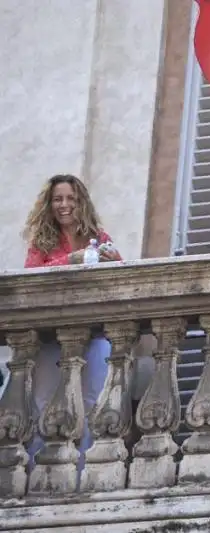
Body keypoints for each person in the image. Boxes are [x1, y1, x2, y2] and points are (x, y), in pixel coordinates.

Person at [22, 174, 121, 482]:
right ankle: (40, 472)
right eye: (58, 199)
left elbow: (122, 276)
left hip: (93, 332)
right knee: (44, 402)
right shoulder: (43, 241)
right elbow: (30, 277)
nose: (64, 205)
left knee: (93, 401)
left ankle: (81, 473)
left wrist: (114, 259)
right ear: (49, 205)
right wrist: (72, 259)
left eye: (71, 199)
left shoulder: (99, 236)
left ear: (81, 203)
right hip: (50, 336)